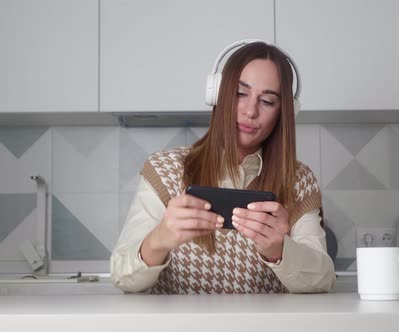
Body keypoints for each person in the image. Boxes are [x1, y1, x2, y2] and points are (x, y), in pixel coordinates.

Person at [110, 40, 335, 294]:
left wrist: (279, 249)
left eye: (268, 101)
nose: (250, 111)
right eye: (240, 93)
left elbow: (323, 279)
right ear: (218, 94)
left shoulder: (299, 180)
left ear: (284, 112)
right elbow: (122, 276)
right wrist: (159, 239)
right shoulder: (164, 170)